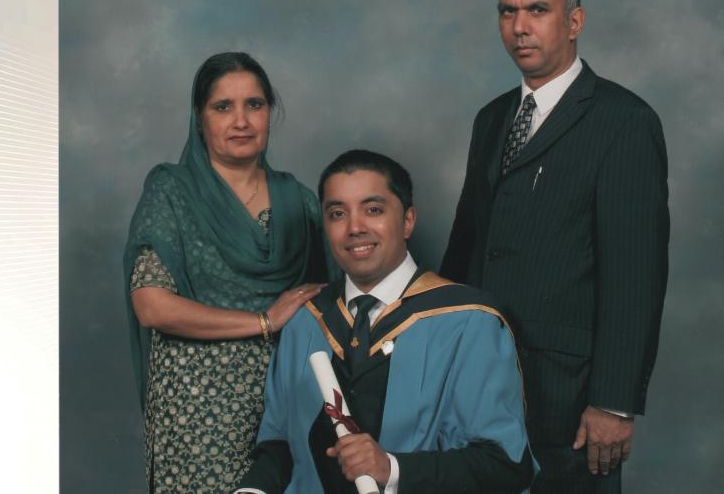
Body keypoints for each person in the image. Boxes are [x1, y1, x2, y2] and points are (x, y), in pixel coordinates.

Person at [440, 0, 669, 494]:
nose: (520, 27)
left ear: (574, 21)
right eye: (507, 11)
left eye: (537, 10)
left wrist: (613, 401)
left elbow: (635, 275)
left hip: (569, 402)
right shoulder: (492, 118)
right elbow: (466, 248)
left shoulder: (625, 121)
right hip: (478, 383)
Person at [235, 150, 534, 493]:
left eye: (373, 209)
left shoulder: (470, 320)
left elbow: (506, 466)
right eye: (337, 213)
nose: (355, 228)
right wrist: (252, 490)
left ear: (407, 221)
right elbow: (280, 445)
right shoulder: (306, 319)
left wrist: (390, 468)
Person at [123, 52, 331, 492]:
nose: (241, 120)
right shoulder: (172, 192)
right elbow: (151, 305)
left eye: (254, 105)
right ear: (200, 119)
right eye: (223, 107)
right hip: (196, 413)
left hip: (282, 403)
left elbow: (326, 303)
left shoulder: (299, 200)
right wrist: (263, 321)